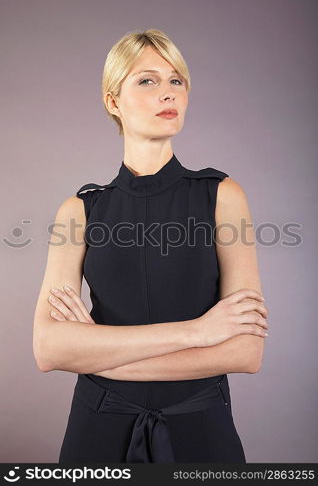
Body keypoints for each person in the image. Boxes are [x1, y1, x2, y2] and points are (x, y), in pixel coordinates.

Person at [33, 29, 269, 463]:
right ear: (112, 102)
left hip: (201, 427)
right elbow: (49, 349)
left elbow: (245, 350)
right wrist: (195, 333)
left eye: (176, 80)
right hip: (97, 429)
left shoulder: (222, 196)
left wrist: (92, 352)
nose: (168, 92)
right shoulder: (79, 211)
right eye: (147, 80)